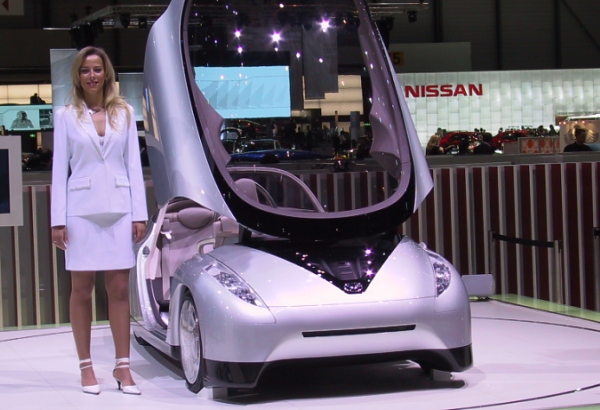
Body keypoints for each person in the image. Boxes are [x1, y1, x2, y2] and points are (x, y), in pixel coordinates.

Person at [50, 46, 148, 396]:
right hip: (80, 212)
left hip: (120, 210)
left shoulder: (125, 112)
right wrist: (57, 220)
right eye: (85, 70)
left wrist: (140, 213)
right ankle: (86, 367)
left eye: (97, 69)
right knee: (81, 290)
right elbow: (59, 168)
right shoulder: (65, 116)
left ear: (106, 73)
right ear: (77, 76)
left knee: (119, 289)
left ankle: (123, 366)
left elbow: (133, 165)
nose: (91, 75)